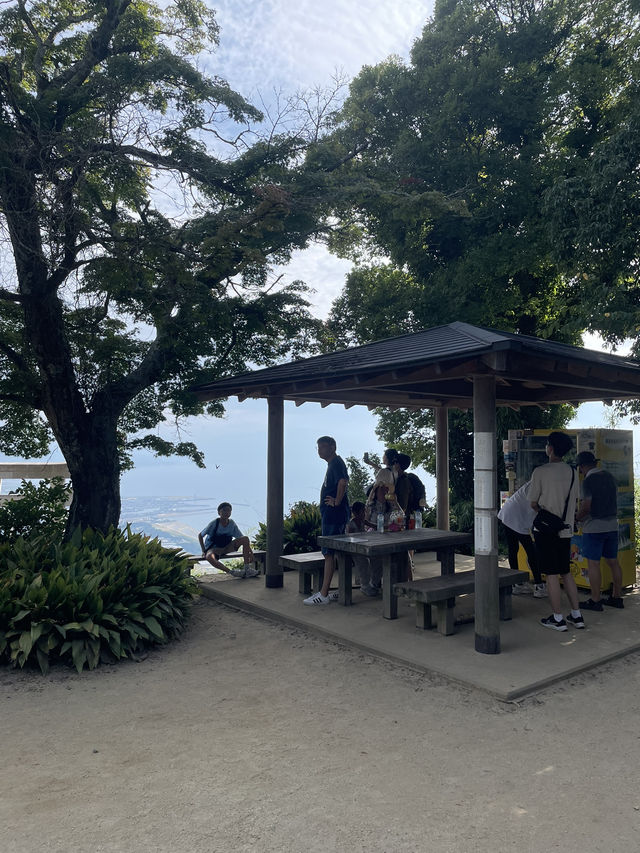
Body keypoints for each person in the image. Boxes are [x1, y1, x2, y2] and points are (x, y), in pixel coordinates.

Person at [529, 431, 584, 631]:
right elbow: (575, 499)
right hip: (565, 530)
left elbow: (533, 502)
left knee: (551, 574)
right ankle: (577, 615)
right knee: (565, 572)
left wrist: (544, 513)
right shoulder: (572, 472)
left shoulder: (540, 471)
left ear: (550, 448)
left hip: (546, 531)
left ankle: (558, 618)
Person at [303, 436, 349, 605]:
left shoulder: (336, 463)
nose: (320, 450)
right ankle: (340, 589)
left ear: (332, 447)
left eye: (323, 446)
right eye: (318, 447)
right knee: (336, 552)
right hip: (334, 515)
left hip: (333, 516)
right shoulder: (334, 464)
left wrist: (337, 501)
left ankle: (323, 594)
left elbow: (343, 482)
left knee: (328, 553)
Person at [575, 451, 624, 610]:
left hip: (594, 527)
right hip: (612, 525)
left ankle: (595, 600)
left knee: (593, 564)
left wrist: (576, 518)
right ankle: (617, 597)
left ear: (582, 467)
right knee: (613, 562)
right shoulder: (610, 477)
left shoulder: (588, 481)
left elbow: (586, 507)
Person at [497, 481, 547, 598]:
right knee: (531, 551)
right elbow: (535, 505)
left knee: (513, 549)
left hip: (507, 513)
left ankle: (516, 584)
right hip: (518, 518)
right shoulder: (542, 485)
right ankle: (539, 585)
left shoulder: (534, 482)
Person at [198, 502, 259, 578]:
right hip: (214, 549)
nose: (226, 512)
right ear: (219, 512)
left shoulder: (231, 523)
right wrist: (204, 551)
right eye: (224, 510)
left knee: (245, 539)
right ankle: (232, 572)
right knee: (209, 556)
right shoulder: (214, 523)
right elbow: (200, 535)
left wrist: (251, 553)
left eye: (229, 510)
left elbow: (242, 538)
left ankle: (247, 569)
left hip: (227, 547)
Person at [346, 501, 381, 596]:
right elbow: (349, 539)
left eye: (364, 511)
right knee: (363, 563)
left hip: (364, 547)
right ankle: (365, 585)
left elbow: (375, 526)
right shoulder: (351, 524)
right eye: (362, 512)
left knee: (377, 559)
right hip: (355, 549)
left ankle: (374, 583)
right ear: (355, 513)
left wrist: (386, 527)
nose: (364, 514)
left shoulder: (363, 521)